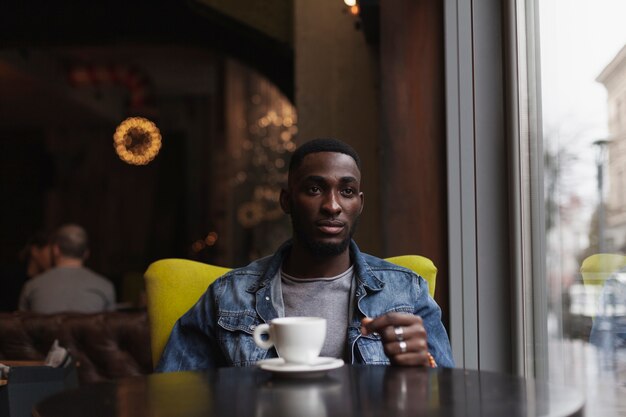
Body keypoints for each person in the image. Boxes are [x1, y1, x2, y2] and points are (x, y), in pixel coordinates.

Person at [157, 138, 454, 371]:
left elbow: (446, 396)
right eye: (314, 189)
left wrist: (423, 366)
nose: (332, 206)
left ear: (359, 204)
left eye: (347, 191)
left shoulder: (406, 292)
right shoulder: (227, 296)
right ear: (286, 200)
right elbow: (172, 393)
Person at [18, 223, 116, 313]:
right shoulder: (105, 287)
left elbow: (20, 328)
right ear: (86, 253)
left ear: (56, 250)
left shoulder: (31, 287)